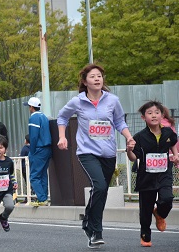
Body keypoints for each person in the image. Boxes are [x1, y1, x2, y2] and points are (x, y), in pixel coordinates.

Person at [57, 64, 134, 249]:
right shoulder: (77, 101)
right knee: (99, 185)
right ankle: (96, 231)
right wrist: (62, 137)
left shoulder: (112, 100)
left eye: (99, 76)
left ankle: (88, 222)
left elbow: (118, 121)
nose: (97, 79)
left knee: (102, 190)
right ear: (85, 81)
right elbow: (62, 117)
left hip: (108, 152)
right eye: (93, 76)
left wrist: (129, 137)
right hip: (87, 152)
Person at [126, 101, 179, 247]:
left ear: (162, 115)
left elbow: (173, 142)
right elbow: (133, 158)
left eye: (157, 112)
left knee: (167, 199)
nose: (154, 115)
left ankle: (160, 214)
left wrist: (175, 156)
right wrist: (129, 149)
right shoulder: (139, 137)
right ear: (144, 118)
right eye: (150, 113)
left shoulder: (168, 132)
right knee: (145, 209)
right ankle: (145, 236)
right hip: (146, 177)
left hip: (164, 174)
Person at [23, 97, 52, 206]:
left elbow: (33, 136)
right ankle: (44, 198)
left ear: (31, 107)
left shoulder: (34, 118)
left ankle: (41, 198)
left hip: (38, 149)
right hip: (47, 148)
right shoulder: (43, 116)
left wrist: (32, 150)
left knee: (34, 176)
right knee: (43, 174)